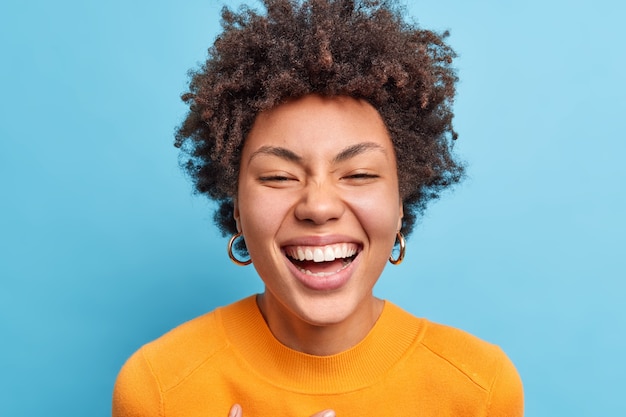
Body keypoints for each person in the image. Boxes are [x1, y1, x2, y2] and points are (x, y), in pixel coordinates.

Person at [112, 1, 524, 416]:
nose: (319, 206)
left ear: (401, 202)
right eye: (278, 176)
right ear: (236, 207)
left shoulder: (479, 388)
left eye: (359, 174)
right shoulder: (159, 389)